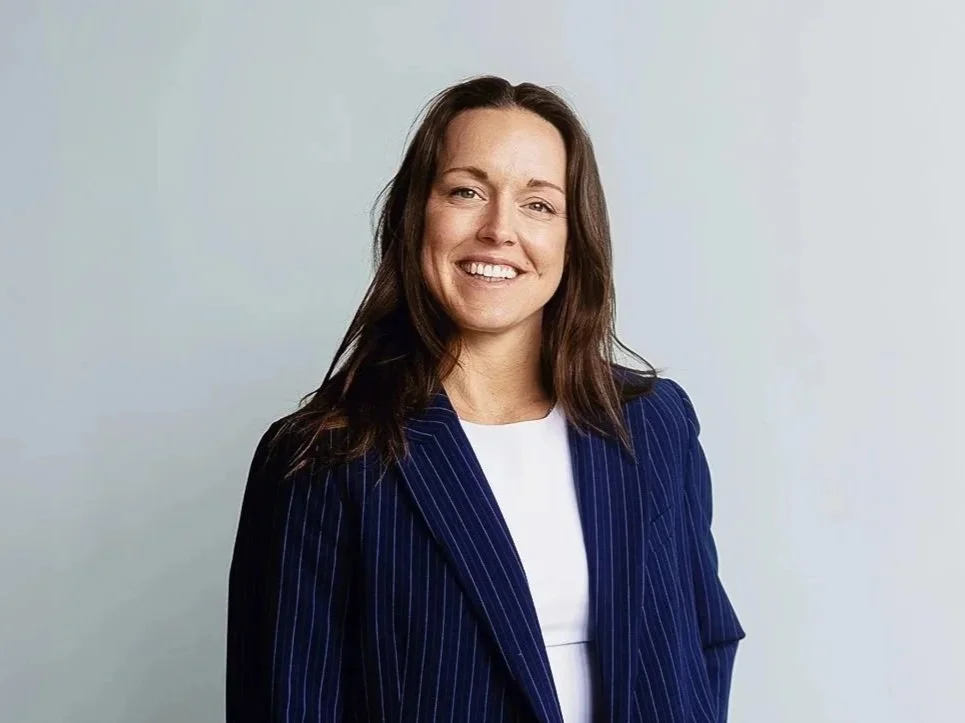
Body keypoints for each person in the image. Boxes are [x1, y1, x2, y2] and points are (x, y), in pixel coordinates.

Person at [226, 75, 745, 723]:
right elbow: (286, 700)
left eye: (538, 204)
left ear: (571, 236)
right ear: (417, 214)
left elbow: (704, 638)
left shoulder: (653, 422)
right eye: (466, 191)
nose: (499, 229)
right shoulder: (324, 456)